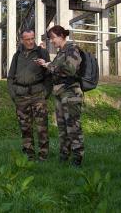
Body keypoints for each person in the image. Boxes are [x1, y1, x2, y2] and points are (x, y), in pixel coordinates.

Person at [34, 25, 85, 166]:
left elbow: (70, 69)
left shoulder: (72, 49)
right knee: (62, 128)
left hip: (71, 93)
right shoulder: (61, 52)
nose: (51, 41)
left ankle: (77, 159)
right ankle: (64, 156)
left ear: (61, 36)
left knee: (73, 127)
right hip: (60, 93)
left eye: (53, 38)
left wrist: (49, 66)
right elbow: (58, 68)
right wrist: (46, 64)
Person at [6, 28, 50, 161]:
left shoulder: (42, 53)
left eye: (32, 38)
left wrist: (46, 93)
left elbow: (49, 75)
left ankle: (43, 156)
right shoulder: (17, 55)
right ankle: (28, 155)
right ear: (22, 40)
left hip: (38, 95)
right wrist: (13, 94)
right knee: (25, 128)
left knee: (42, 127)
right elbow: (10, 77)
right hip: (20, 96)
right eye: (27, 39)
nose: (31, 42)